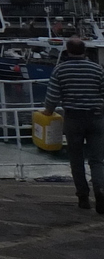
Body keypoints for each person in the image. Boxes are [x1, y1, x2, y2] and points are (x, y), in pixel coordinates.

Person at [42, 37, 104, 211]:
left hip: (73, 118)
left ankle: (83, 197)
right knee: (97, 160)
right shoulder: (97, 69)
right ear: (85, 51)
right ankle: (100, 191)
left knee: (76, 159)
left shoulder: (60, 70)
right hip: (96, 118)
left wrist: (48, 111)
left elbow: (53, 96)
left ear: (67, 51)